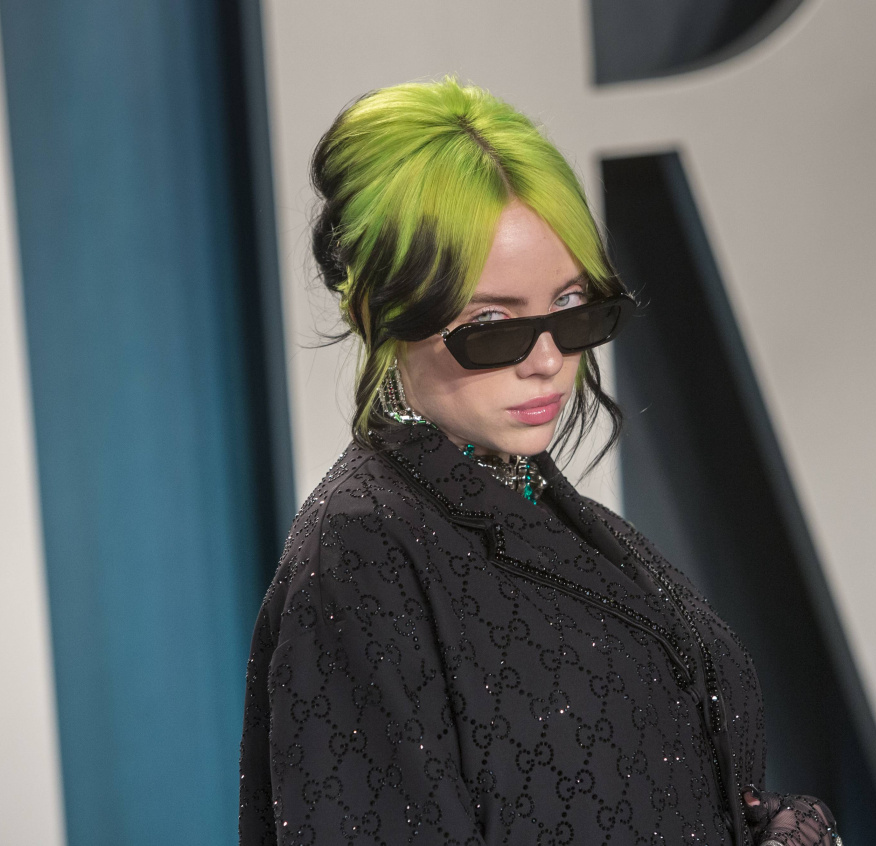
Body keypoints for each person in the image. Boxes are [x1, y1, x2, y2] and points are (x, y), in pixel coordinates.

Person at [238, 77, 840, 846]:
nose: (548, 360)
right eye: (493, 323)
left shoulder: (546, 508)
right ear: (386, 315)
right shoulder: (362, 552)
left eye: (572, 306)